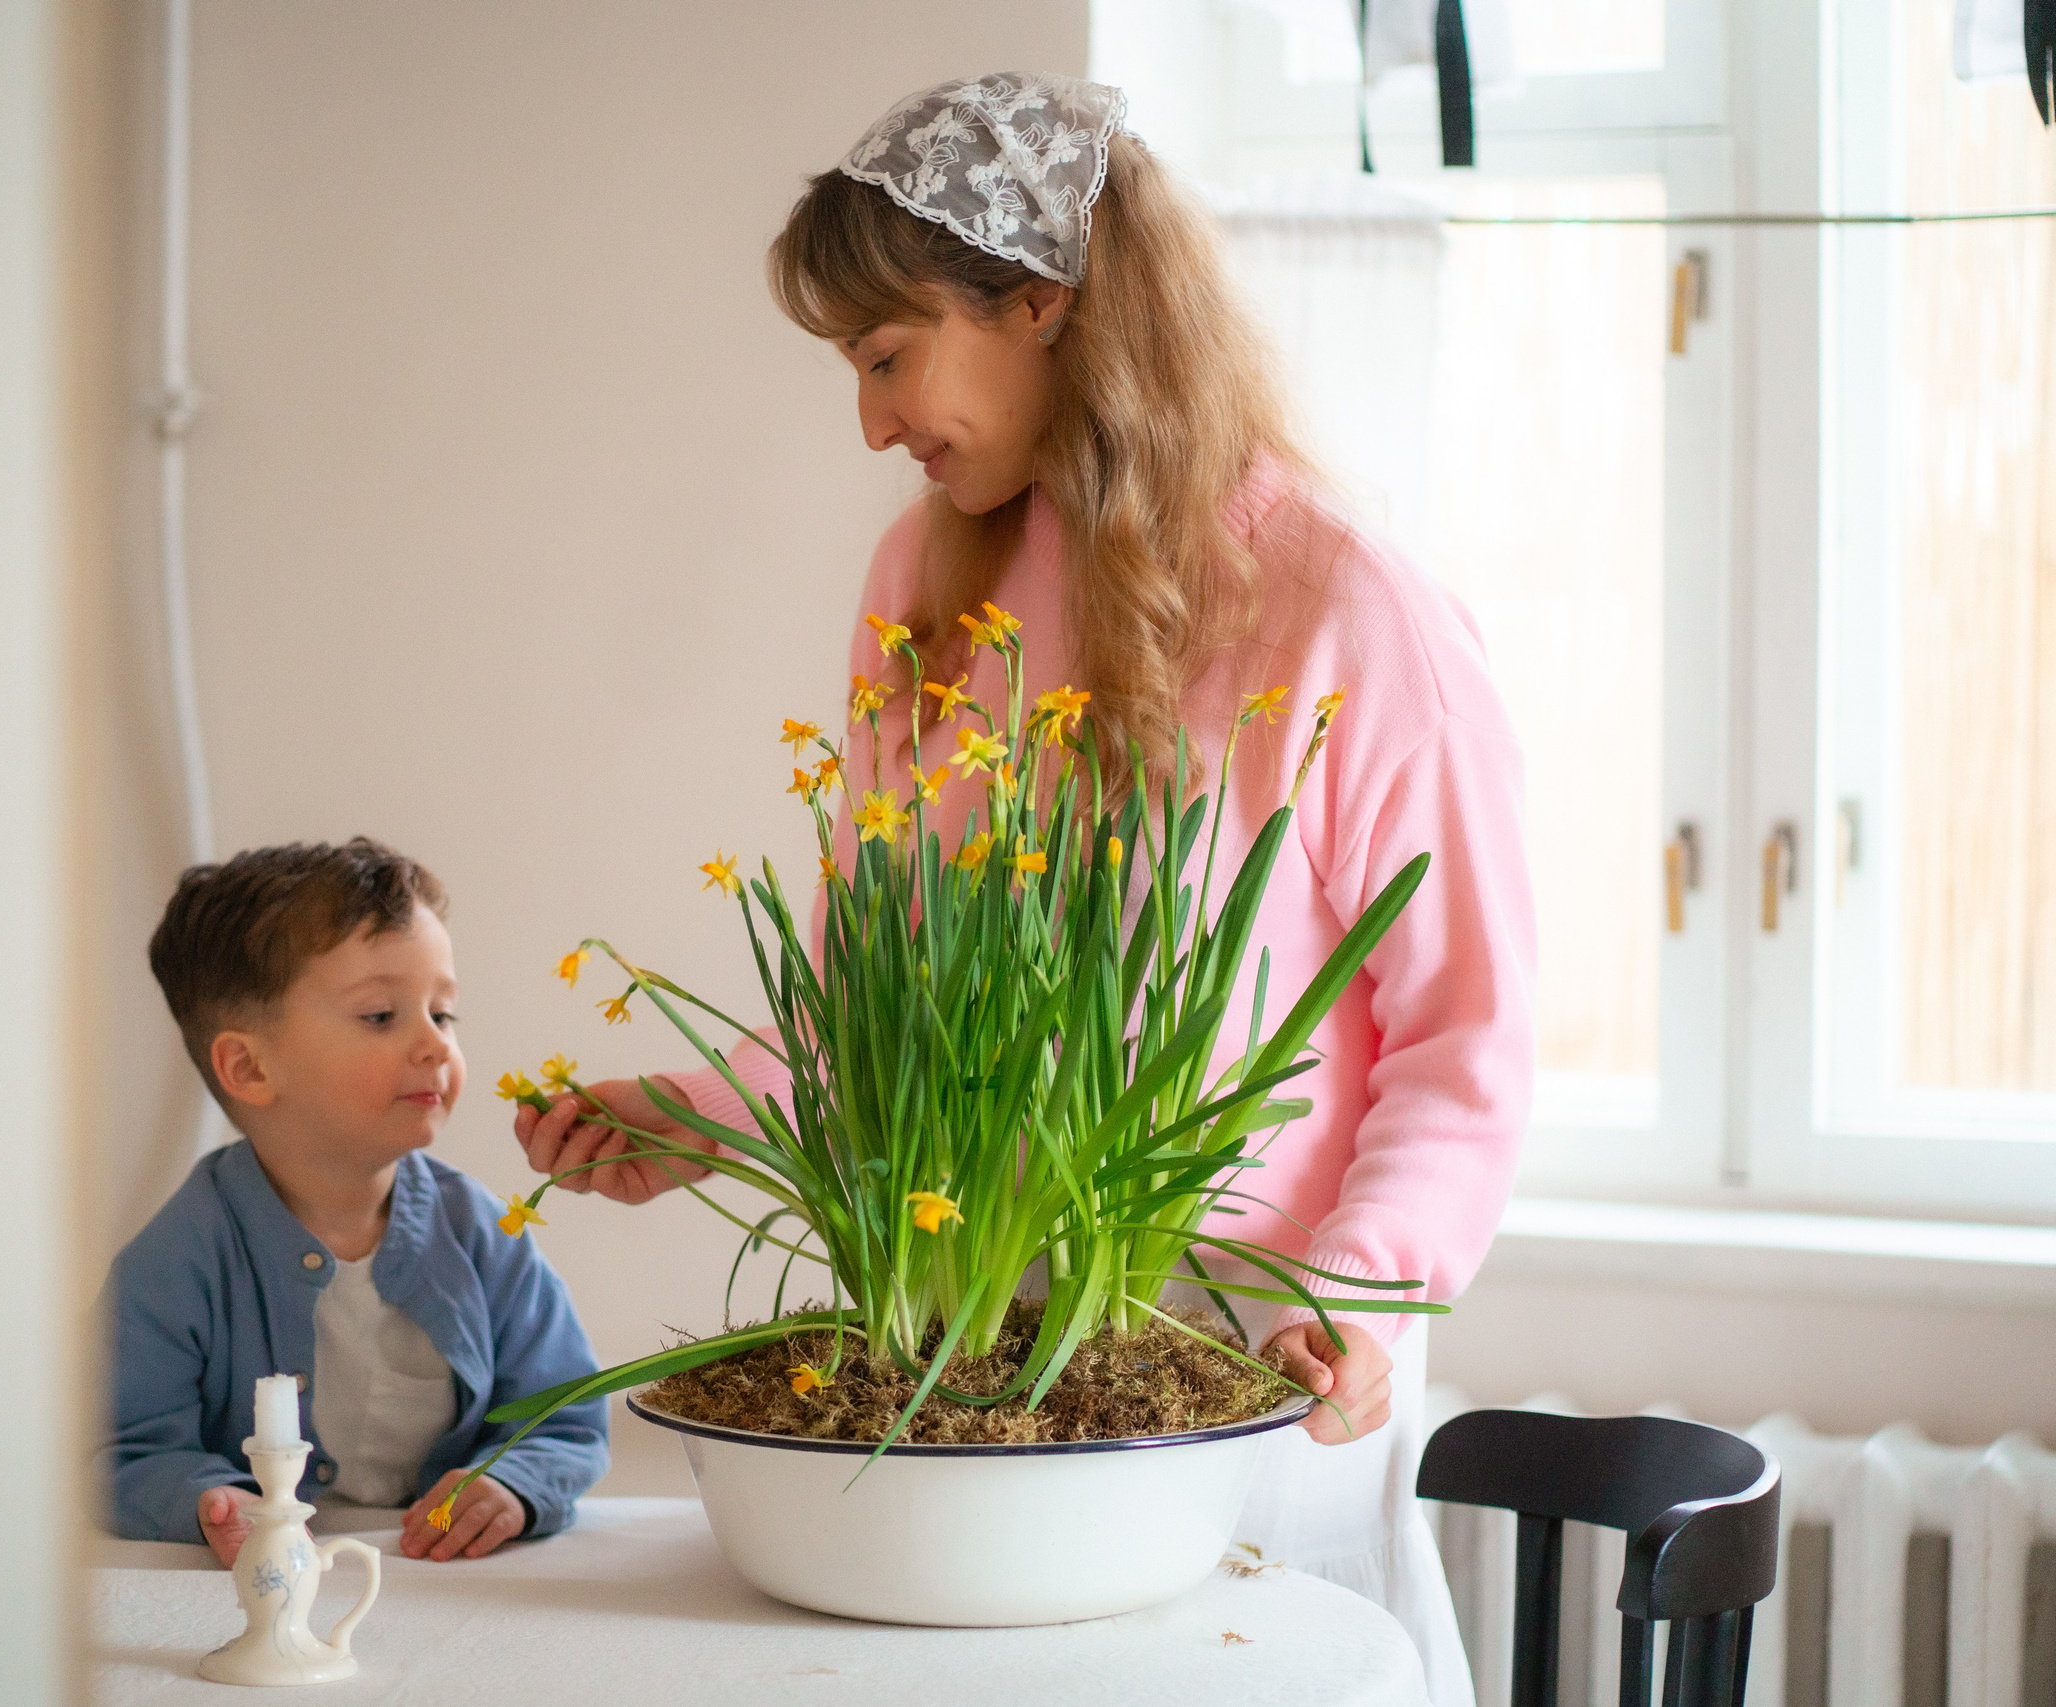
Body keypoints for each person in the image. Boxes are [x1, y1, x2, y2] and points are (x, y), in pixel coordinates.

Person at [513, 74, 1529, 1702]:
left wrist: (1357, 1293)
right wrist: (712, 1112)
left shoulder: (1351, 609)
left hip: (1238, 1372)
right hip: (963, 1368)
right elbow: (874, 993)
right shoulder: (925, 581)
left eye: (887, 353)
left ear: (1038, 301)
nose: (870, 422)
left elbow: (1462, 1042)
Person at [105, 839, 607, 1565]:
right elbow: (116, 1447)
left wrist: (512, 1482)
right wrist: (209, 1498)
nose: (435, 1044)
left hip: (441, 1587)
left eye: (443, 1012)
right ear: (249, 1066)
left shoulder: (484, 1233)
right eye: (381, 1015)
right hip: (262, 1600)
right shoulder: (179, 1256)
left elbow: (567, 1415)